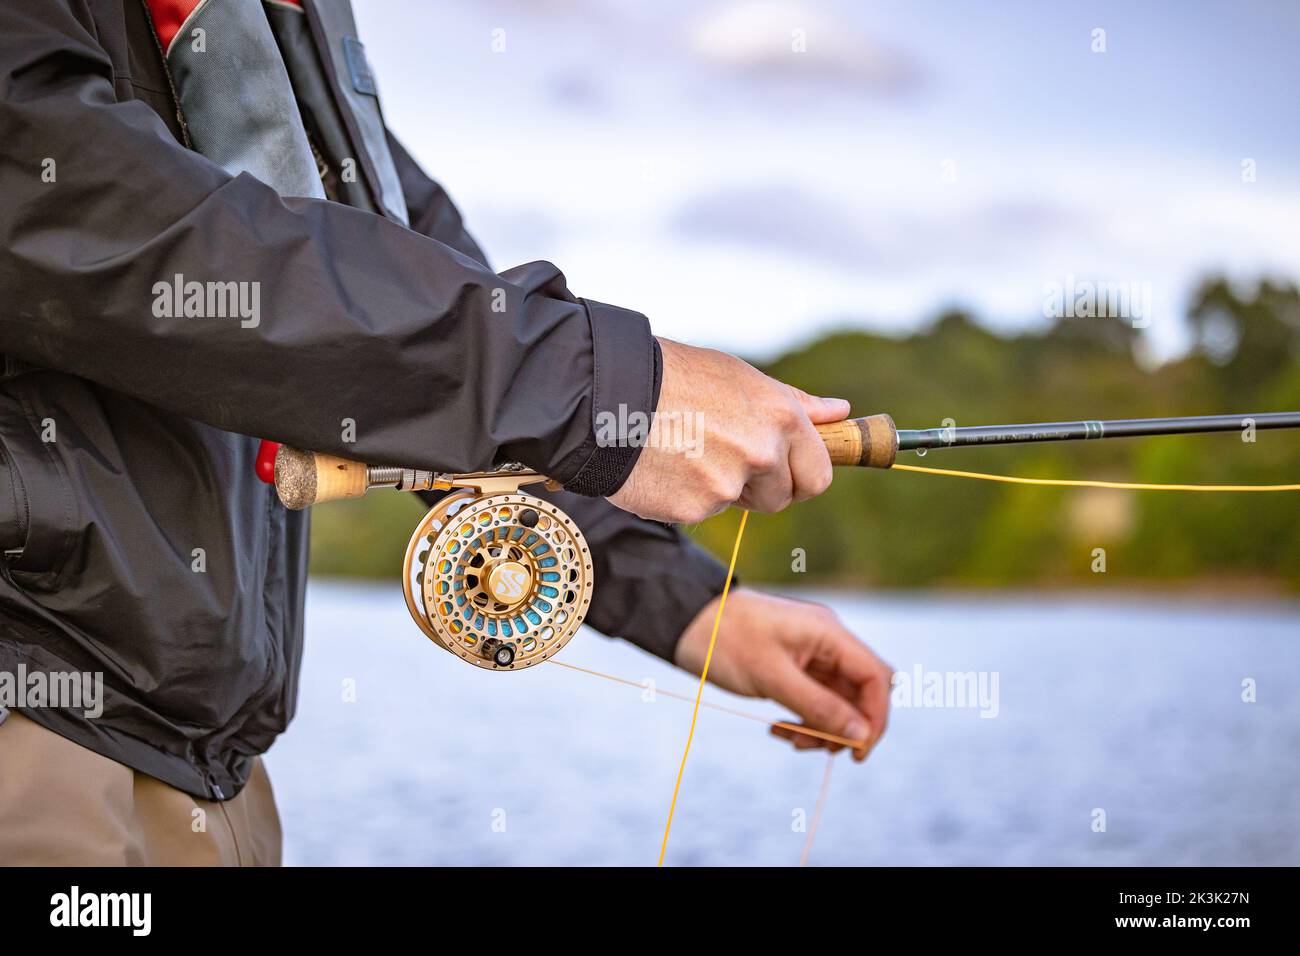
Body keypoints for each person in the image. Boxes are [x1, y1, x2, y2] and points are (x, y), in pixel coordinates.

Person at [0, 0, 891, 865]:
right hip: (32, 726)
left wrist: (695, 608)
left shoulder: (291, 27)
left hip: (215, 772)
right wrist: (596, 388)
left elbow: (402, 324)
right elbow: (86, 212)